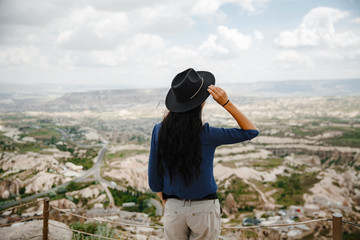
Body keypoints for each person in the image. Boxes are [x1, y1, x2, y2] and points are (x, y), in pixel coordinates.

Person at [148, 68, 259, 240]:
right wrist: (226, 102)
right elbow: (251, 131)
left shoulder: (159, 131)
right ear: (202, 103)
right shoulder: (207, 134)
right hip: (204, 209)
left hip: (173, 208)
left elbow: (154, 178)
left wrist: (168, 202)